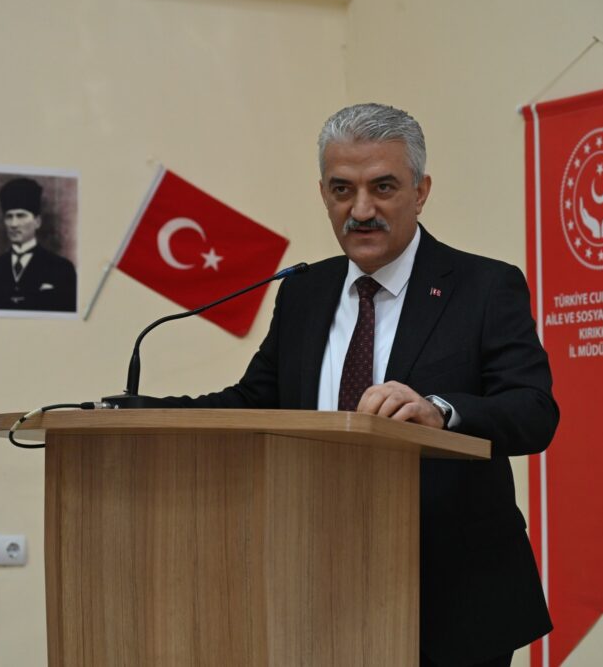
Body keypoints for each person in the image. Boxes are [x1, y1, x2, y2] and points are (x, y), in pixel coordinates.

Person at [170, 103, 558, 666]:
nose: (361, 210)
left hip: (452, 597)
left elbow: (533, 410)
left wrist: (440, 412)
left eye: (383, 187)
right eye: (342, 190)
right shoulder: (304, 292)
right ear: (323, 194)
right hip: (315, 586)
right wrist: (127, 410)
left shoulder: (484, 286)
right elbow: (255, 402)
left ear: (421, 191)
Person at [0, 177, 76, 312]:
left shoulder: (61, 268)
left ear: (37, 222)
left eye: (21, 216)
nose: (14, 224)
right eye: (9, 216)